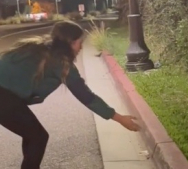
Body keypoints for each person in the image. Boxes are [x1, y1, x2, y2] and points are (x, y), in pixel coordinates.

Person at [0, 20, 140, 169]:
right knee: (38, 137)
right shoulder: (60, 63)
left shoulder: (37, 47)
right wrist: (119, 118)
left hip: (7, 97)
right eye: (80, 42)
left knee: (33, 135)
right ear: (71, 43)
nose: (81, 47)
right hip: (5, 98)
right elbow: (86, 96)